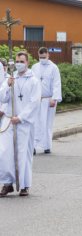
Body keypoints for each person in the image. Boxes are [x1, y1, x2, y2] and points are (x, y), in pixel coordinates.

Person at [0, 51, 42, 197]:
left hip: (24, 122)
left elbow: (34, 102)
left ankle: (24, 185)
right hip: (9, 120)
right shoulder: (11, 78)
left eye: (22, 61)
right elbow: (2, 98)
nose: (19, 63)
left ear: (27, 63)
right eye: (17, 61)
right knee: (5, 152)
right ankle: (7, 183)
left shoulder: (34, 81)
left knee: (23, 154)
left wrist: (21, 117)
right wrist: (7, 86)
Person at [32, 47, 62, 155]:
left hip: (49, 100)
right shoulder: (34, 67)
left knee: (47, 123)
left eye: (44, 57)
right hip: (37, 100)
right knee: (36, 123)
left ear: (48, 55)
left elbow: (56, 84)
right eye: (40, 57)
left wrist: (54, 98)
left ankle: (47, 146)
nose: (42, 59)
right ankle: (34, 146)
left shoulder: (53, 68)